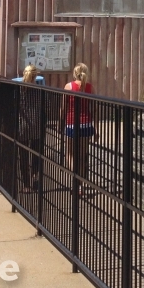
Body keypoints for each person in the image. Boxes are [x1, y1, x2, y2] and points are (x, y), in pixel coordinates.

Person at [62, 63, 94, 192]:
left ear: (74, 73)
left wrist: (60, 122)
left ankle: (74, 179)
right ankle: (80, 184)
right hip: (86, 123)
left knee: (69, 154)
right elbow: (95, 108)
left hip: (71, 123)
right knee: (81, 155)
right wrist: (96, 127)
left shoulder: (68, 87)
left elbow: (64, 107)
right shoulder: (90, 88)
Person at [17, 64, 44, 191]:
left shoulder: (19, 90)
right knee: (36, 154)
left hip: (22, 126)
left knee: (23, 155)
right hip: (37, 126)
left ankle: (26, 184)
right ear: (35, 76)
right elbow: (46, 107)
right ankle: (34, 176)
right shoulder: (39, 91)